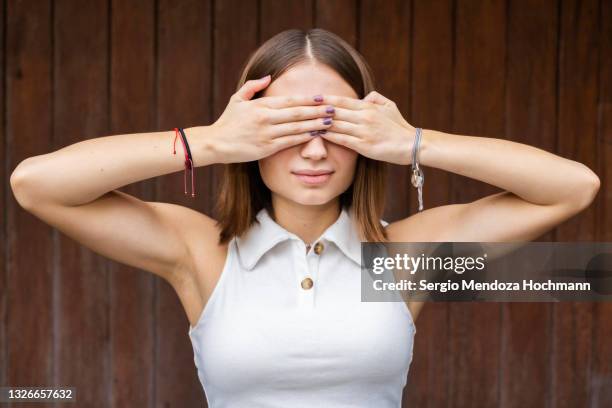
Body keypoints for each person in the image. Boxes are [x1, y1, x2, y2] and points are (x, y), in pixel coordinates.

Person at [10, 28, 600, 407]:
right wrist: (209, 141)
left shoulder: (397, 259)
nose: (314, 151)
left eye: (334, 129)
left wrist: (414, 141)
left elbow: (572, 189)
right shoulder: (204, 253)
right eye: (287, 128)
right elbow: (36, 186)